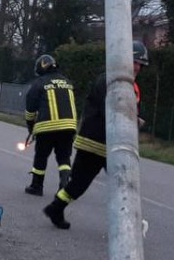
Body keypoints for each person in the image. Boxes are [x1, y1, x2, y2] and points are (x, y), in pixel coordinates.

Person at [43, 40, 149, 229]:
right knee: (84, 184)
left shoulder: (130, 86)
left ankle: (56, 207)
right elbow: (112, 110)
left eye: (141, 64)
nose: (138, 67)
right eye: (135, 62)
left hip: (113, 145)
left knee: (122, 184)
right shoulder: (108, 81)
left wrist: (136, 119)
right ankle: (56, 207)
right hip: (96, 142)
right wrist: (132, 119)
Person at [22, 54, 79, 197]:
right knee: (64, 158)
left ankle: (36, 186)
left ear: (41, 67)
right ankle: (65, 188)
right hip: (69, 127)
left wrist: (31, 128)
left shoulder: (39, 83)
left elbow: (30, 110)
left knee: (41, 156)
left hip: (47, 127)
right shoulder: (68, 82)